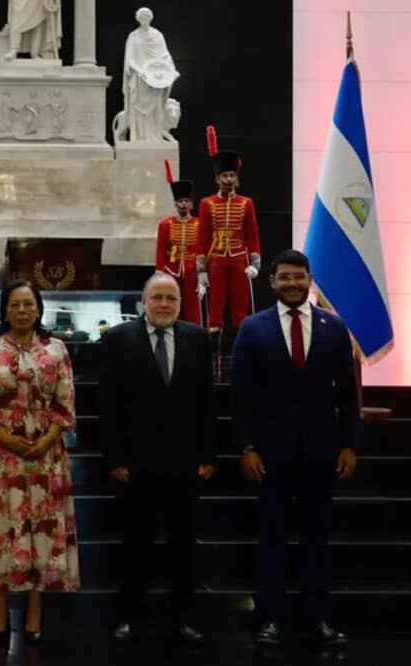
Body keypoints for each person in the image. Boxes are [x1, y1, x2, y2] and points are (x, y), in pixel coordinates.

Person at [229, 249, 359, 647]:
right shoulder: (251, 328)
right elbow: (240, 395)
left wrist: (350, 445)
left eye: (298, 277)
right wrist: (246, 447)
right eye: (284, 277)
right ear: (272, 282)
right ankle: (269, 617)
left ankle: (316, 617)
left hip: (321, 452)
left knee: (316, 537)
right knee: (270, 537)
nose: (291, 283)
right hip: (270, 454)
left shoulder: (334, 328)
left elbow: (347, 395)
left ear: (309, 279)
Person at [0, 280, 79, 645]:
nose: (23, 311)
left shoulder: (57, 350)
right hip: (1, 456)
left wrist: (44, 440)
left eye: (28, 305)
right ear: (5, 310)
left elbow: (66, 402)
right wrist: (6, 437)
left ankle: (34, 610)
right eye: (15, 305)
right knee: (3, 528)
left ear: (39, 309)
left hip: (46, 456)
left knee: (39, 530)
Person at [99, 271, 216, 645]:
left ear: (180, 304)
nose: (164, 304)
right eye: (157, 298)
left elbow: (207, 403)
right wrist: (115, 457)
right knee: (135, 543)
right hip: (135, 464)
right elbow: (108, 404)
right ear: (143, 302)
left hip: (185, 462)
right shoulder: (117, 339)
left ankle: (184, 617)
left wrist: (208, 454)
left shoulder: (197, 339)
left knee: (183, 544)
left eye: (171, 298)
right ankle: (128, 615)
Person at [199, 135, 261, 336]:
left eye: (231, 176)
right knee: (215, 309)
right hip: (215, 260)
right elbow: (203, 237)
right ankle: (214, 358)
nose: (228, 180)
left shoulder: (246, 203)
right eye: (224, 176)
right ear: (217, 178)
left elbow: (252, 234)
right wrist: (201, 271)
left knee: (240, 309)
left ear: (236, 177)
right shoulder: (206, 203)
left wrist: (255, 263)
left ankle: (242, 351)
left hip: (238, 260)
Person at [155, 162, 206, 325]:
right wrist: (159, 274)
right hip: (171, 271)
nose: (184, 204)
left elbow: (202, 251)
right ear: (175, 203)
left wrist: (202, 277)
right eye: (180, 201)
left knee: (193, 314)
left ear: (191, 204)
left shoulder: (199, 224)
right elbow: (161, 251)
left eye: (187, 201)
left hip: (192, 271)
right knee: (171, 308)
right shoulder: (165, 224)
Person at [121, 7, 179, 142]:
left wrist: (172, 70)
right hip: (140, 78)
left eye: (147, 17)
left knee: (157, 107)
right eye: (142, 18)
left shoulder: (158, 36)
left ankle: (156, 136)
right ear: (138, 19)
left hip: (155, 79)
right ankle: (140, 137)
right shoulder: (133, 36)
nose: (144, 20)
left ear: (150, 18)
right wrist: (140, 71)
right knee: (139, 109)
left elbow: (165, 55)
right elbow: (130, 59)